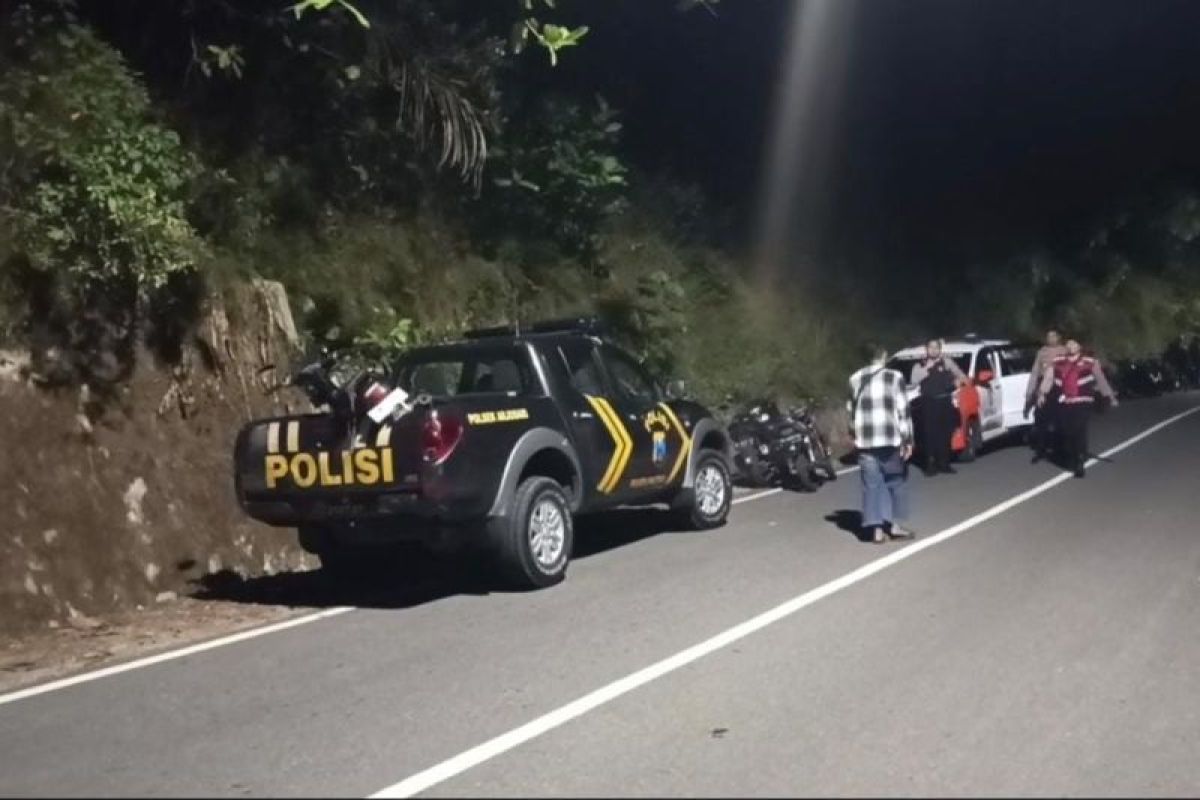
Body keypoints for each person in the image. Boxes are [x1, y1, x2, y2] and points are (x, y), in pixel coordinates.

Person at [848, 345, 916, 544]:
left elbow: (851, 411)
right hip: (889, 438)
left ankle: (876, 531)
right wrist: (908, 440)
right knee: (895, 483)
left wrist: (854, 435)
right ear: (884, 357)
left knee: (871, 486)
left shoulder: (854, 379)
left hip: (865, 441)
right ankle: (894, 526)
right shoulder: (894, 377)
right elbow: (903, 410)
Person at [1037, 337, 1118, 478]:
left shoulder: (1090, 362)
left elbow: (1100, 379)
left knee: (1079, 429)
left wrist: (1110, 396)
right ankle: (1075, 455)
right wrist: (1042, 394)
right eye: (1069, 343)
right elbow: (1049, 378)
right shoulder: (1058, 362)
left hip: (1083, 401)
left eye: (1074, 343)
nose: (1071, 346)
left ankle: (1080, 460)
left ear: (1080, 346)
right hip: (1065, 402)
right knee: (1068, 431)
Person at [910, 338, 968, 476]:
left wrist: (958, 381)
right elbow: (913, 381)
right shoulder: (920, 364)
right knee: (930, 434)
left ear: (940, 349)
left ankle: (944, 463)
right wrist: (927, 368)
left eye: (936, 347)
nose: (933, 350)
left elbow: (961, 376)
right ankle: (930, 464)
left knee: (946, 433)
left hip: (945, 401)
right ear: (926, 349)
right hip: (929, 402)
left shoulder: (947, 362)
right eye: (931, 347)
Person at [1024, 327, 1067, 462]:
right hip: (1043, 386)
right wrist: (1029, 392)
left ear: (1058, 337)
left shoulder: (1064, 351)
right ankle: (1040, 449)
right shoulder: (1042, 352)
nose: (1050, 339)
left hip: (1060, 386)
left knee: (1060, 419)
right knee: (1040, 418)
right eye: (1048, 336)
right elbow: (1035, 372)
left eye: (1053, 336)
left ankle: (1060, 448)